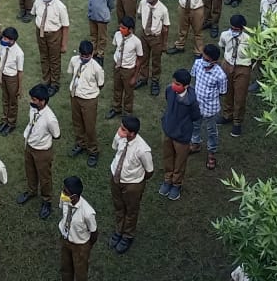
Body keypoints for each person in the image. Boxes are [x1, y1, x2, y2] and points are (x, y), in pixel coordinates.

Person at [107, 115, 153, 253]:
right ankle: (119, 230)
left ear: (132, 133)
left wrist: (136, 181)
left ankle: (127, 235)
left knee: (131, 210)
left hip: (132, 184)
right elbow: (114, 147)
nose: (119, 131)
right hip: (116, 179)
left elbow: (149, 170)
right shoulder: (120, 136)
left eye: (123, 129)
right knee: (119, 206)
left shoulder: (143, 149)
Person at [16, 83, 60, 219]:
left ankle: (47, 201)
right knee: (30, 171)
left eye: (34, 99)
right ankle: (31, 191)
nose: (31, 101)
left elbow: (56, 135)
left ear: (43, 101)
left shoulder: (50, 119)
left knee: (44, 178)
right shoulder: (33, 108)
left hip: (42, 151)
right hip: (29, 145)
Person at [159, 67, 201, 201]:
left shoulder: (192, 101)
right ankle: (167, 179)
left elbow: (196, 116)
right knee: (168, 157)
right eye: (174, 82)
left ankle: (176, 184)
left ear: (186, 86)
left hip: (182, 136)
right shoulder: (169, 90)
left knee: (180, 162)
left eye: (177, 84)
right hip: (168, 130)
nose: (174, 86)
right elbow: (168, 99)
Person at [67, 40, 105, 167]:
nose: (84, 58)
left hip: (89, 99)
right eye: (82, 56)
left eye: (87, 56)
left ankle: (93, 151)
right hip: (75, 96)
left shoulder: (97, 68)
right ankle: (80, 144)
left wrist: (89, 93)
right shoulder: (74, 60)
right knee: (77, 123)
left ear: (92, 54)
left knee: (89, 127)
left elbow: (101, 84)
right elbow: (72, 73)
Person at [189, 43, 228, 169]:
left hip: (210, 107)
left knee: (211, 131)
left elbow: (222, 91)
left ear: (214, 61)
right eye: (203, 57)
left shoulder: (220, 75)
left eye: (207, 59)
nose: (203, 61)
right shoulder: (198, 64)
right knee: (195, 125)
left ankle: (211, 153)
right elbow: (193, 76)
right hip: (196, 103)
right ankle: (195, 144)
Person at [30, 0, 70, 93]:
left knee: (54, 59)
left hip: (54, 34)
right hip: (41, 32)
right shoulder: (38, 1)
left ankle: (54, 83)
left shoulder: (60, 7)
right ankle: (46, 80)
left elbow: (65, 26)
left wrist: (64, 44)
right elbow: (34, 14)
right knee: (44, 57)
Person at [58, 175, 98, 281]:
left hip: (80, 245)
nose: (63, 193)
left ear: (74, 196)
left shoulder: (88, 213)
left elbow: (94, 233)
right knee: (65, 267)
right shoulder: (65, 199)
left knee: (80, 272)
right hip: (65, 239)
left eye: (66, 192)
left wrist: (86, 247)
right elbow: (63, 211)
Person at [219, 14, 252, 137]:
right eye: (232, 28)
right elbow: (223, 47)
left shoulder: (248, 40)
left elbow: (254, 55)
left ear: (242, 28)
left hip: (242, 67)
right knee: (227, 91)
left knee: (240, 95)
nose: (233, 31)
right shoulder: (225, 35)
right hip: (228, 64)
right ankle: (227, 115)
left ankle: (237, 121)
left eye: (236, 29)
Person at [136, 0, 170, 96]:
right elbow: (140, 14)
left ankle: (155, 81)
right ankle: (143, 78)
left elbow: (166, 27)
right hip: (144, 35)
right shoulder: (143, 3)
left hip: (156, 38)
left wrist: (164, 44)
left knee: (156, 61)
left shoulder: (163, 9)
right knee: (143, 58)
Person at [108, 16, 143, 118]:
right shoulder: (117, 35)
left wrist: (135, 77)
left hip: (128, 69)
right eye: (120, 27)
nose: (121, 29)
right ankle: (116, 108)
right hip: (117, 66)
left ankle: (127, 112)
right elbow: (116, 47)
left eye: (123, 28)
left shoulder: (136, 42)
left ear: (130, 29)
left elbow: (140, 59)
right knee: (117, 88)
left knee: (128, 92)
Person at [0, 26, 24, 135]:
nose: (3, 40)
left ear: (12, 40)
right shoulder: (2, 46)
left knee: (12, 101)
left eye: (6, 39)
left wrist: (19, 87)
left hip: (12, 78)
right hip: (3, 74)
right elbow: (0, 61)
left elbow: (20, 72)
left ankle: (11, 123)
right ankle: (4, 120)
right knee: (5, 99)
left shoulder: (19, 53)